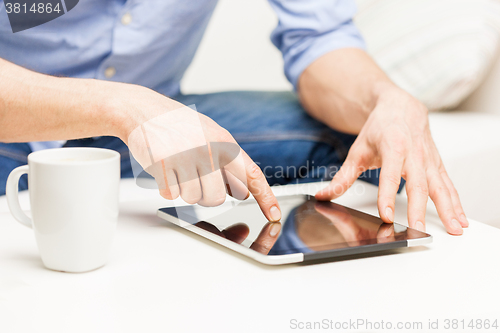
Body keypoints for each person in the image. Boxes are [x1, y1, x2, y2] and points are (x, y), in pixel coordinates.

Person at [0, 0, 467, 235]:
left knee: (362, 142)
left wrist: (384, 97)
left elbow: (319, 38)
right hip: (15, 124)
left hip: (152, 129)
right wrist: (125, 107)